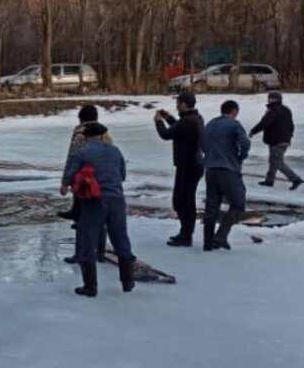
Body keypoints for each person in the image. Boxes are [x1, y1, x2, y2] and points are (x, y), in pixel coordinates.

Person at [61, 122, 137, 297]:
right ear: (103, 135)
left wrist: (66, 185)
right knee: (120, 239)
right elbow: (122, 175)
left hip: (94, 201)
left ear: (86, 137)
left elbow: (72, 174)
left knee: (88, 242)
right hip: (117, 200)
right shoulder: (115, 151)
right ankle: (127, 281)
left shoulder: (82, 152)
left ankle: (90, 286)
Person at [59, 105, 112, 264]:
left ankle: (80, 253)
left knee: (81, 217)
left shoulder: (80, 134)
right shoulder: (105, 133)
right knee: (100, 216)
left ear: (81, 118)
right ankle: (100, 253)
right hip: (103, 181)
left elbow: (73, 158)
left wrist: (65, 182)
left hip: (84, 181)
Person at [155, 91, 206, 247]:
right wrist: (168, 117)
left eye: (178, 104)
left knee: (183, 202)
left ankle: (186, 235)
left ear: (184, 105)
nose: (177, 106)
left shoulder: (188, 121)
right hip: (190, 164)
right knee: (182, 200)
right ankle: (185, 233)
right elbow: (178, 127)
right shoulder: (194, 118)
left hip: (189, 165)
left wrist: (158, 122)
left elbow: (166, 134)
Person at [201, 100, 251, 251]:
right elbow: (245, 143)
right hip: (228, 170)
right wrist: (241, 156)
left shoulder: (210, 125)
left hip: (211, 169)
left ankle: (207, 242)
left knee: (211, 206)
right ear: (234, 111)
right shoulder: (234, 124)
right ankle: (221, 236)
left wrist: (210, 156)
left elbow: (202, 143)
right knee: (238, 204)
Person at [251, 91, 304, 191]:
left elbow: (265, 123)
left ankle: (296, 179)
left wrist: (253, 131)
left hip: (276, 140)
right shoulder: (286, 110)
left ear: (275, 99)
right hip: (284, 139)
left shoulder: (273, 110)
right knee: (273, 160)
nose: (268, 99)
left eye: (270, 98)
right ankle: (269, 180)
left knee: (277, 162)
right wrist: (289, 136)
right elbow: (291, 125)